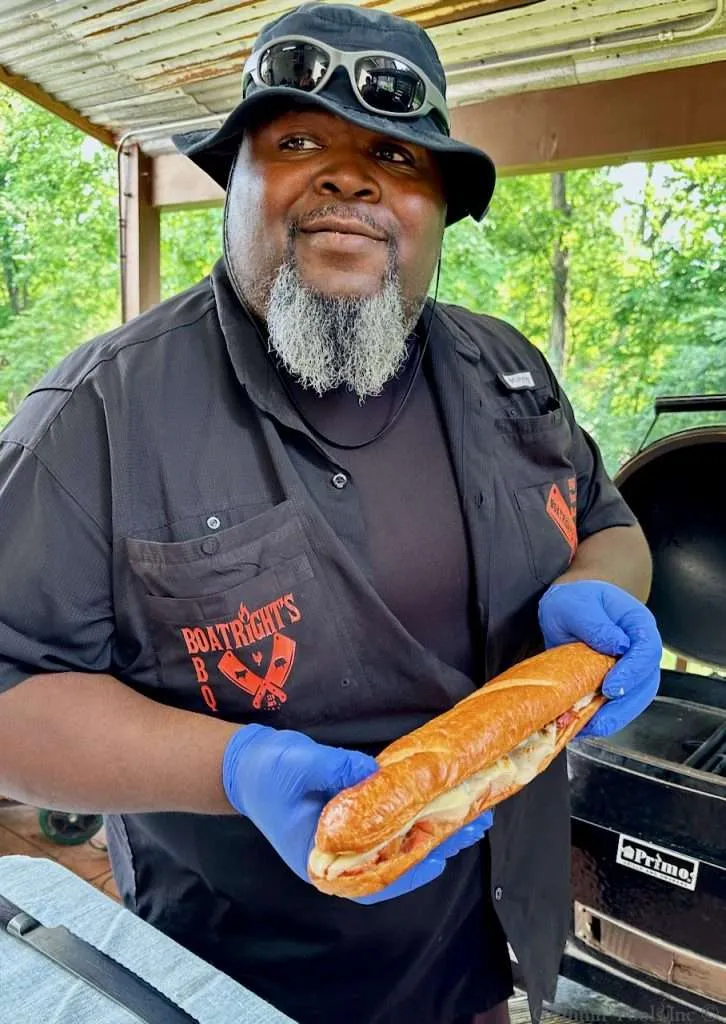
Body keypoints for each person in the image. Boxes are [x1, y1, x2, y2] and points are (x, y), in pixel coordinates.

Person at [0, 4, 662, 1024]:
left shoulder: (510, 373)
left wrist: (598, 592)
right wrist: (234, 767)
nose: (348, 176)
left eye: (395, 154)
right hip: (242, 974)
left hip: (494, 935)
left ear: (439, 206)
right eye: (297, 140)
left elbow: (607, 520)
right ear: (237, 188)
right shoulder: (102, 412)